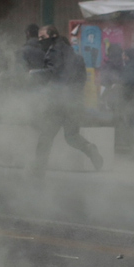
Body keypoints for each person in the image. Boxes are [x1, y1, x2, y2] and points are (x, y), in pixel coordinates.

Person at [29, 24, 104, 179]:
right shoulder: (76, 56)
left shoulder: (54, 52)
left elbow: (54, 73)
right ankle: (90, 149)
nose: (40, 41)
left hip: (58, 102)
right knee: (71, 136)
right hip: (74, 102)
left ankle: (38, 170)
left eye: (42, 37)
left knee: (46, 136)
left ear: (53, 36)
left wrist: (33, 74)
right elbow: (81, 80)